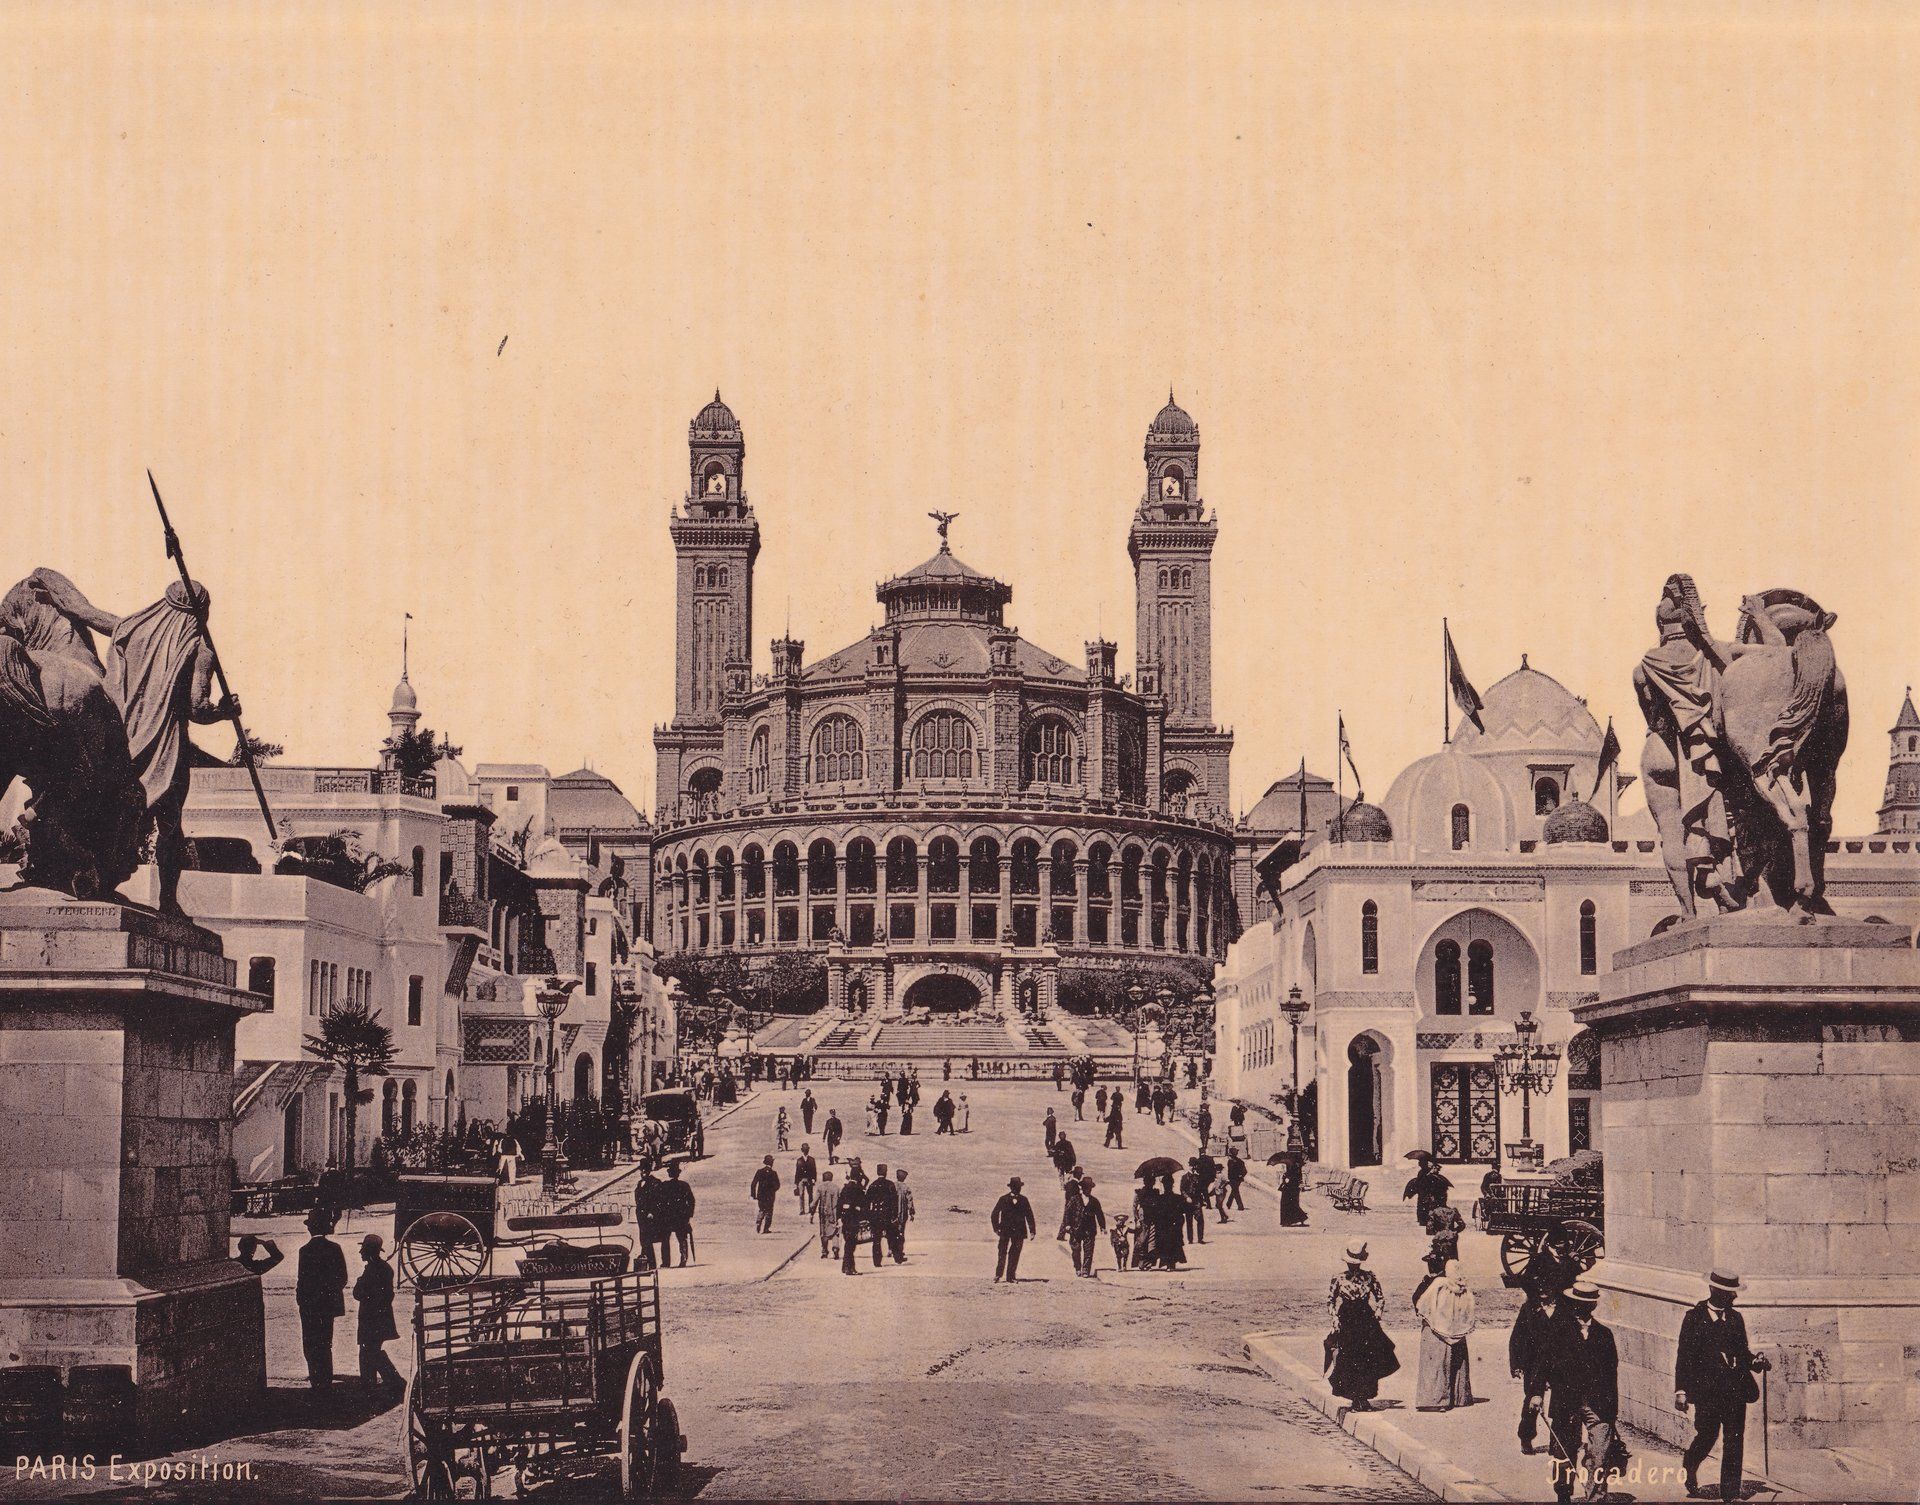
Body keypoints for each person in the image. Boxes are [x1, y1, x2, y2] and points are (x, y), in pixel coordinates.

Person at [1675, 1269, 1769, 1503]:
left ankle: (1731, 1494)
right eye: (1729, 1293)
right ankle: (1691, 1462)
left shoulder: (1736, 1318)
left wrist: (1756, 1362)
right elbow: (1684, 1357)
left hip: (1735, 1391)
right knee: (1707, 1436)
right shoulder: (1693, 1318)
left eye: (1734, 1293)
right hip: (1707, 1393)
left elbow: (1743, 1353)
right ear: (1714, 1291)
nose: (1734, 1298)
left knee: (1734, 1440)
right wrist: (1681, 1391)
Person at [1534, 1281, 1619, 1504]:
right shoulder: (1558, 1331)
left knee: (1599, 1455)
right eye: (1577, 1303)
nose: (1580, 1308)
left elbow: (1612, 1376)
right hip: (1566, 1401)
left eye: (1586, 1304)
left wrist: (1612, 1414)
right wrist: (1536, 1394)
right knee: (1562, 1453)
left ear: (1592, 1306)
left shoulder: (1604, 1335)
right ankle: (1563, 1493)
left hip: (1598, 1405)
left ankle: (1595, 1498)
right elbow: (1542, 1364)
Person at [1326, 1240, 1398, 1411]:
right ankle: (1354, 1397)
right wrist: (1334, 1318)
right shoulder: (1338, 1278)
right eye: (1351, 1264)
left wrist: (1379, 1312)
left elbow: (1380, 1298)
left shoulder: (1369, 1276)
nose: (1353, 1267)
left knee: (1368, 1358)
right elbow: (1330, 1300)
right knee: (1349, 1358)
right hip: (1347, 1320)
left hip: (1366, 1320)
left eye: (1355, 1264)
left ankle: (1364, 1397)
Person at [1509, 1275, 1565, 1455]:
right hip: (1535, 1364)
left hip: (1558, 1363)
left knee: (1561, 1402)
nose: (1543, 1290)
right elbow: (1517, 1337)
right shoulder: (1529, 1310)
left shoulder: (1564, 1310)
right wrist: (1516, 1364)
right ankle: (1526, 1437)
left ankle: (1556, 1442)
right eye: (1539, 1287)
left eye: (1547, 1286)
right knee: (1532, 1402)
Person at [295, 1208, 348, 1390]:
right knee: (326, 1343)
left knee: (310, 1343)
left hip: (310, 1306)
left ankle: (315, 1379)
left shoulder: (305, 1251)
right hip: (328, 1306)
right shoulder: (335, 1249)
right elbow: (342, 1278)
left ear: (310, 1229)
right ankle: (325, 1380)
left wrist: (303, 1301)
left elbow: (301, 1281)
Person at [1414, 1259, 1477, 1411]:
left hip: (1437, 1329)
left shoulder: (1439, 1283)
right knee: (1457, 1364)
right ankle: (1459, 1398)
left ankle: (1435, 1400)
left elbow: (1422, 1303)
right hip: (1457, 1330)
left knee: (1436, 1365)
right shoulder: (1464, 1287)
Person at [353, 1234, 403, 1398]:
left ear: (368, 1251)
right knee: (372, 1350)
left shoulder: (371, 1271)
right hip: (381, 1319)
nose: (360, 1253)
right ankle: (386, 1383)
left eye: (363, 1250)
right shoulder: (385, 1268)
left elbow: (358, 1294)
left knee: (368, 1351)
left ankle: (388, 1383)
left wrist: (360, 1282)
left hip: (370, 1319)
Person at [991, 1176, 1036, 1282]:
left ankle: (1011, 1276)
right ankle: (998, 1275)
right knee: (1002, 1252)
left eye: (1019, 1187)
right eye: (1016, 1187)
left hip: (1019, 1231)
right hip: (1005, 1230)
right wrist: (996, 1228)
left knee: (1015, 1253)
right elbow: (994, 1214)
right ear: (1011, 1187)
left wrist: (1032, 1231)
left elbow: (1029, 1215)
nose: (1018, 1189)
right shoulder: (1003, 1199)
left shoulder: (1024, 1200)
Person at [1070, 1176, 1106, 1278]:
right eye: (1086, 1188)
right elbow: (1068, 1213)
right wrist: (1067, 1225)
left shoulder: (1094, 1201)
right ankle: (1077, 1267)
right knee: (1076, 1250)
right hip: (1076, 1229)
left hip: (1089, 1230)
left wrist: (1102, 1227)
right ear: (1082, 1188)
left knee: (1089, 1250)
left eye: (1090, 1188)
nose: (1088, 1190)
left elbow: (1099, 1214)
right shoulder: (1074, 1199)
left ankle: (1085, 1270)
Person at [660, 1161, 696, 1266]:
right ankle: (683, 1259)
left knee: (665, 1239)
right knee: (682, 1238)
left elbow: (660, 1201)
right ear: (678, 1174)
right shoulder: (684, 1185)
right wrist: (689, 1214)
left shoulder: (664, 1185)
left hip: (667, 1217)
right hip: (681, 1216)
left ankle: (666, 1262)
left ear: (669, 1174)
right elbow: (691, 1200)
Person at [1403, 1153, 1453, 1227]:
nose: (1419, 1164)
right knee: (1423, 1206)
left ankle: (1430, 1219)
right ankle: (1423, 1220)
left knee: (1428, 1205)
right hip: (1424, 1192)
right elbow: (1421, 1181)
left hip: (1429, 1192)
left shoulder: (1429, 1171)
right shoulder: (1422, 1172)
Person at [866, 1162, 900, 1266]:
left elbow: (867, 1201)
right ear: (885, 1172)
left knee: (876, 1239)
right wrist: (894, 1215)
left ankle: (877, 1261)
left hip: (875, 1215)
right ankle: (897, 1258)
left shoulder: (873, 1185)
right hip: (887, 1215)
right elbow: (894, 1201)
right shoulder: (890, 1184)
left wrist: (869, 1215)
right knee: (893, 1236)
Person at [836, 1169, 866, 1276]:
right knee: (851, 1244)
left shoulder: (845, 1188)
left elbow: (839, 1205)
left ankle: (845, 1266)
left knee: (847, 1242)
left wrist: (839, 1218)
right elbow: (863, 1206)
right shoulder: (859, 1189)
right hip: (854, 1220)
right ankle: (850, 1268)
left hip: (845, 1220)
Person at [750, 1155, 781, 1233]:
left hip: (761, 1195)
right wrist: (773, 1190)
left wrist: (753, 1195)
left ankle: (758, 1221)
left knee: (762, 1209)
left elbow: (753, 1183)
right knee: (769, 1212)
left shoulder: (759, 1171)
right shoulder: (773, 1173)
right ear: (771, 1163)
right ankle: (766, 1228)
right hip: (770, 1195)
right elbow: (778, 1185)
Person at [1179, 1160, 1207, 1245]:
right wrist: (1187, 1197)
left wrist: (1204, 1199)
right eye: (1191, 1165)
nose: (1193, 1167)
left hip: (1197, 1201)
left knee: (1200, 1220)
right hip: (1188, 1202)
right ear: (1189, 1166)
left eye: (1194, 1166)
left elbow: (1202, 1189)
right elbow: (1182, 1189)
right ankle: (1190, 1239)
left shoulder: (1198, 1177)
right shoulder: (1185, 1177)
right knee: (1189, 1220)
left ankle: (1200, 1238)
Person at [891, 1169, 915, 1260]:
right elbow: (910, 1201)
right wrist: (912, 1213)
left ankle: (891, 1250)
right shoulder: (906, 1188)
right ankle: (899, 1252)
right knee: (901, 1233)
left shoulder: (892, 1185)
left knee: (892, 1232)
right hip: (902, 1214)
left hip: (892, 1214)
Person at [815, 1170, 839, 1259]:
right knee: (835, 1232)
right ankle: (836, 1248)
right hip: (834, 1212)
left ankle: (824, 1251)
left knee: (823, 1232)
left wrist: (812, 1210)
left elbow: (815, 1201)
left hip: (823, 1213)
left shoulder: (820, 1187)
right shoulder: (836, 1187)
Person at [1278, 1152, 1307, 1226]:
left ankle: (1288, 1221)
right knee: (1292, 1204)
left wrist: (1286, 1176)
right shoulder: (1294, 1166)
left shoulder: (1293, 1167)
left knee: (1288, 1204)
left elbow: (1292, 1178)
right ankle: (1298, 1219)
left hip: (1290, 1188)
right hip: (1291, 1188)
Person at [1057, 1167, 1085, 1241]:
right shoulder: (1075, 1185)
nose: (1081, 1176)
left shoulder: (1070, 1183)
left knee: (1066, 1218)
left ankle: (1061, 1235)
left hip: (1068, 1202)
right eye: (1080, 1174)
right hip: (1073, 1204)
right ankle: (1065, 1235)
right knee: (1072, 1219)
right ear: (1078, 1175)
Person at [794, 1143, 819, 1215]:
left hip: (809, 1179)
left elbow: (814, 1170)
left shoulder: (812, 1159)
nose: (806, 1151)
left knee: (810, 1194)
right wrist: (796, 1182)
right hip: (801, 1179)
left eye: (807, 1149)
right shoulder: (799, 1160)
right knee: (801, 1194)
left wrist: (814, 1178)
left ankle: (811, 1208)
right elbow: (797, 1171)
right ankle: (802, 1210)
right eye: (804, 1150)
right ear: (802, 1150)